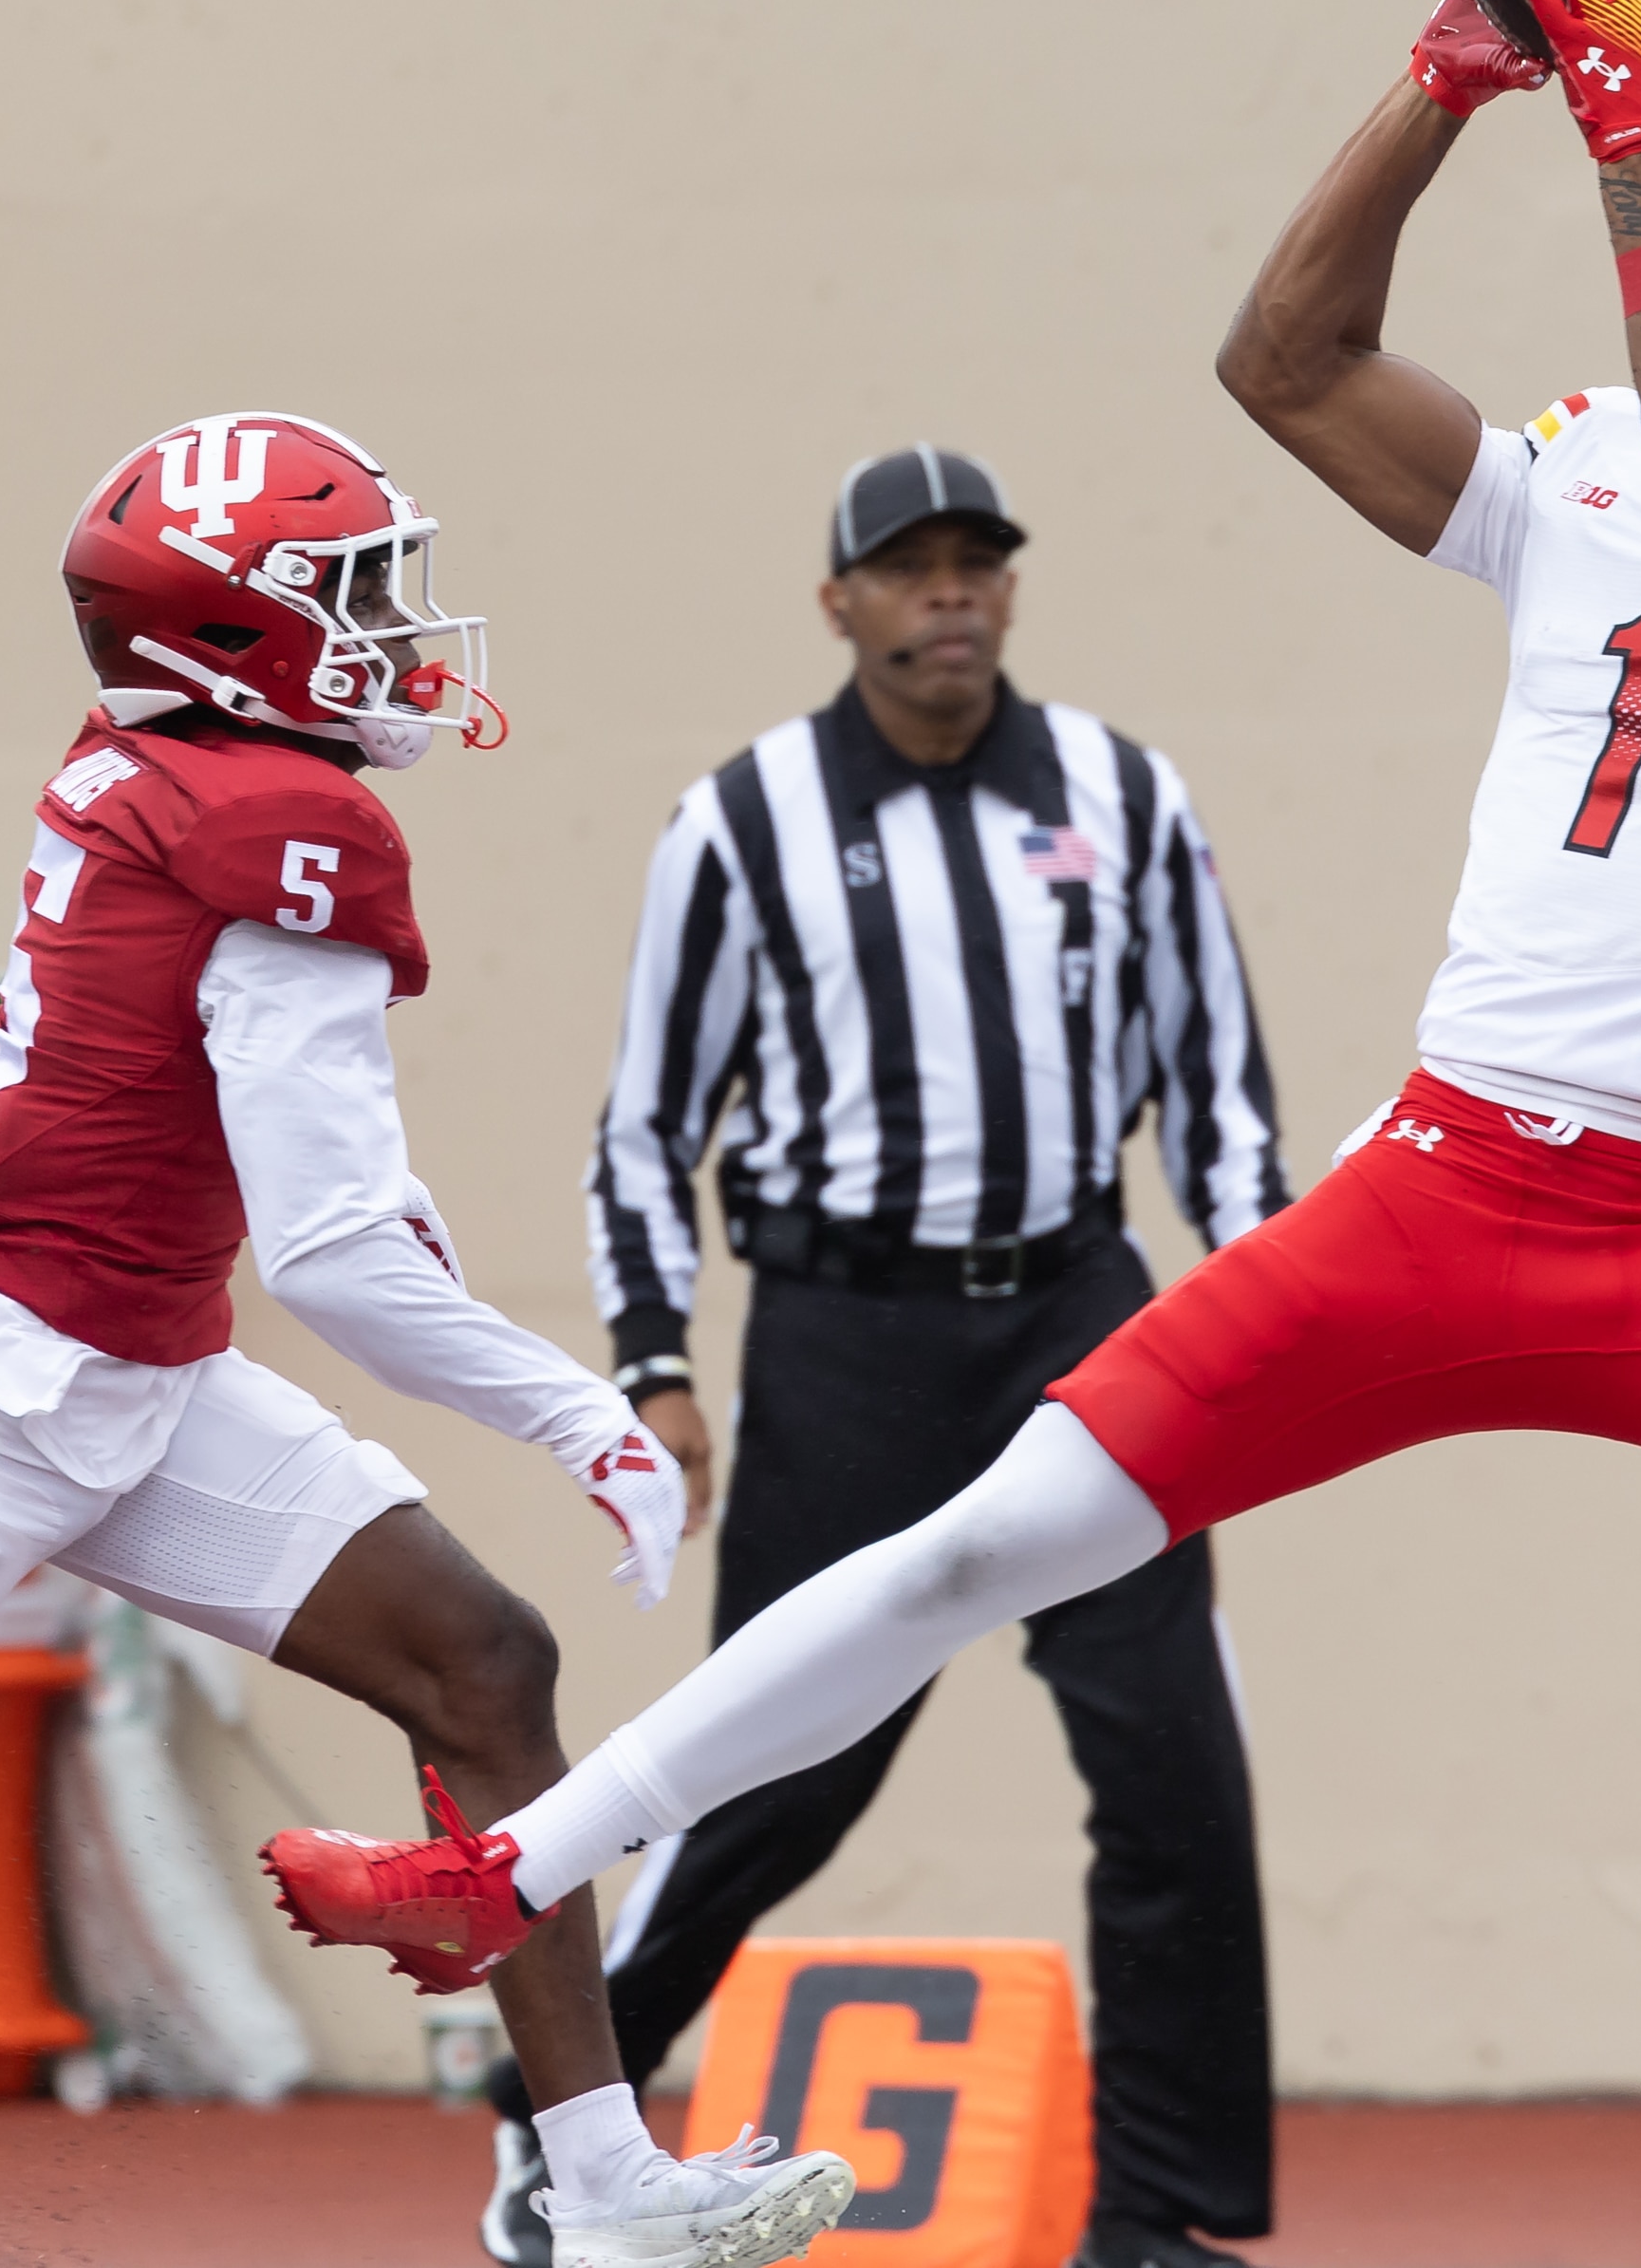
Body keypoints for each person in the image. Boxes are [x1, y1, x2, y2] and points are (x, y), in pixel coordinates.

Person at [262, 0, 1641, 2244]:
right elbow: (1285, 361)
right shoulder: (1602, 457)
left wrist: (1628, 143)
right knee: (976, 1546)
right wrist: (1452, 82)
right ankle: (500, 1873)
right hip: (1443, 1181)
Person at [0, 414, 855, 2268]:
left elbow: (282, 1169)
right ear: (230, 636)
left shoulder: (169, 765)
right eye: (354, 590)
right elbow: (339, 1258)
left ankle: (602, 2184)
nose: (399, 625)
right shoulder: (278, 822)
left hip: (131, 1367)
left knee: (480, 1660)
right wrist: (577, 1407)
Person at [459, 447, 1283, 2268]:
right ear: (837, 601)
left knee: (1172, 1768)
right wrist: (657, 1362)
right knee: (777, 1772)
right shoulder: (741, 821)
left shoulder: (1122, 797)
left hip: (1083, 1319)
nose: (950, 595)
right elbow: (646, 1125)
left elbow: (1216, 1095)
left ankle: (1169, 2222)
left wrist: (1267, 1316)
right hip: (844, 1334)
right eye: (908, 569)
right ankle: (560, 2128)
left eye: (979, 563)